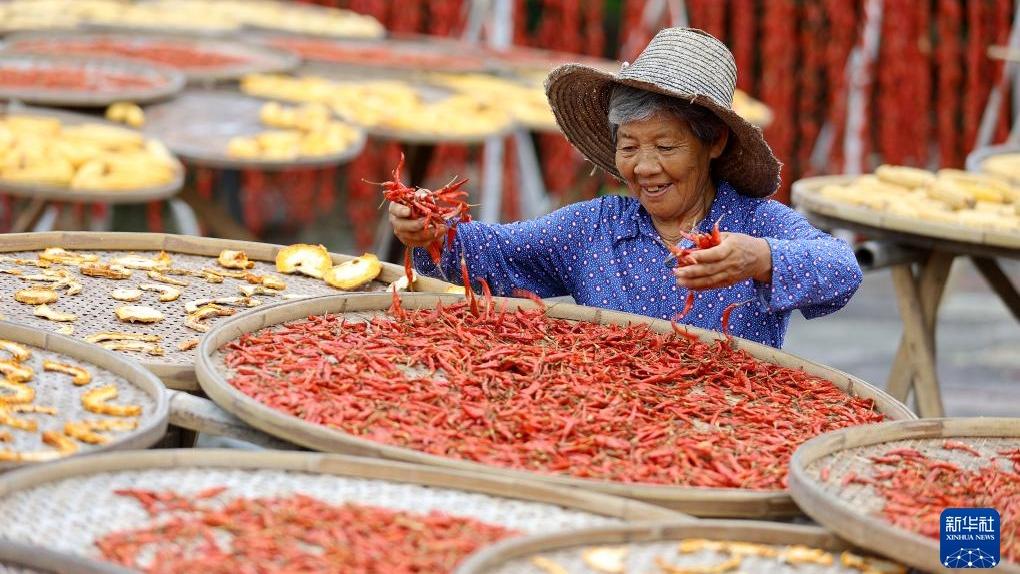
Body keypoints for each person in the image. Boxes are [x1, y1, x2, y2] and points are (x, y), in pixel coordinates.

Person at [388, 27, 862, 348]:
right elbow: (496, 252)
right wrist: (431, 228)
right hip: (615, 429)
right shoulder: (594, 229)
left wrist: (760, 259)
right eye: (629, 147)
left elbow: (842, 271)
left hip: (730, 427)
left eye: (665, 146)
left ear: (713, 142)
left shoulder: (756, 223)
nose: (645, 167)